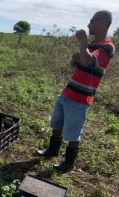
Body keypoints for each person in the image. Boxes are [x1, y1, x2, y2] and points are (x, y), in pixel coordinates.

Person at [37, 10, 115, 173]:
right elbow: (76, 64)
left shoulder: (107, 47)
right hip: (68, 91)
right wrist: (76, 57)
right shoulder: (92, 45)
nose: (88, 25)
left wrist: (83, 43)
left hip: (80, 97)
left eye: (92, 21)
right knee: (57, 123)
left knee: (73, 130)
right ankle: (53, 150)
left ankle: (69, 162)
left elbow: (86, 60)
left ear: (102, 21)